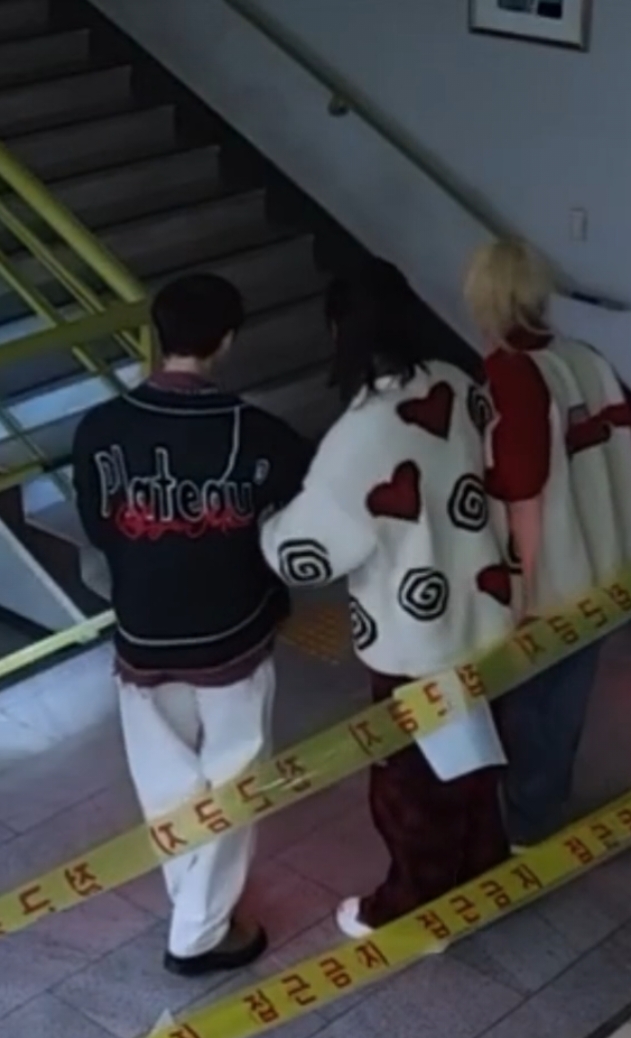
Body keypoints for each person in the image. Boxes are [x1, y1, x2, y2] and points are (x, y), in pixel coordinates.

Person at [260, 260, 515, 936]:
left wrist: (265, 526)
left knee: (411, 779)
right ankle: (483, 869)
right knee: (475, 753)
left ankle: (413, 904)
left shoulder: (360, 433)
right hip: (484, 606)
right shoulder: (460, 384)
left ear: (338, 330)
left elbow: (305, 552)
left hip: (411, 635)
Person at [72, 273, 314, 976]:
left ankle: (194, 902)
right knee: (234, 777)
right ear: (227, 341)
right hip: (233, 631)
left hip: (143, 634)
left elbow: (98, 526)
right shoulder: (255, 431)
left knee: (166, 782)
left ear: (156, 336)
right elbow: (299, 513)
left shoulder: (100, 429)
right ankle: (199, 932)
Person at [464, 238, 631, 848]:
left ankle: (524, 824)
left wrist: (518, 592)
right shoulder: (586, 358)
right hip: (602, 567)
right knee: (567, 702)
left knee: (525, 708)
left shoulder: (509, 376)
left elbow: (522, 491)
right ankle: (544, 808)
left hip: (546, 579)